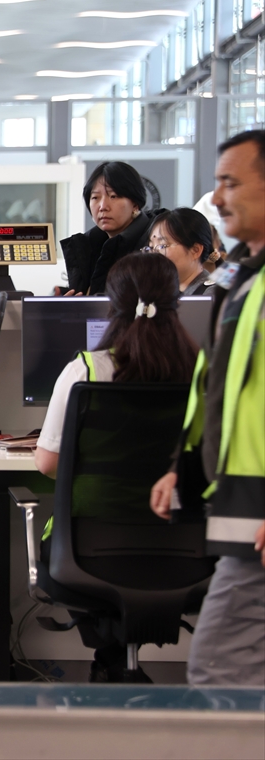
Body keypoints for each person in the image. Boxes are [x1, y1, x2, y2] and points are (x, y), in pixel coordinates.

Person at [33, 252, 199, 682]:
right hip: (186, 550)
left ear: (112, 305)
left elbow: (47, 463)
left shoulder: (85, 369)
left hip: (89, 551)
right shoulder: (204, 373)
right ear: (177, 303)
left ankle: (109, 657)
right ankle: (117, 661)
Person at [151, 129, 265, 688]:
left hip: (257, 507)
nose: (217, 199)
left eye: (230, 183)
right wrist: (186, 464)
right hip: (238, 499)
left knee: (220, 667)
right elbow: (219, 385)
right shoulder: (238, 275)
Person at [60, 162, 159, 296]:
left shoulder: (154, 244)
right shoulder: (88, 248)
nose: (103, 206)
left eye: (113, 196)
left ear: (135, 204)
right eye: (95, 197)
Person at [144, 208, 217, 296]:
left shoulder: (211, 295)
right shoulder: (155, 291)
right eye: (151, 247)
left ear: (195, 250)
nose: (153, 254)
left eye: (162, 246)